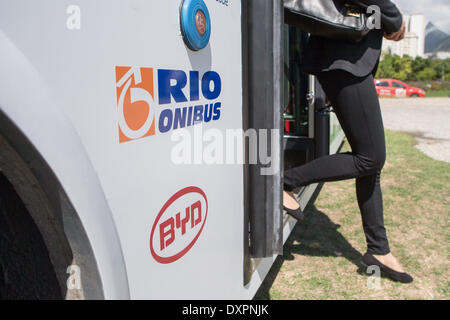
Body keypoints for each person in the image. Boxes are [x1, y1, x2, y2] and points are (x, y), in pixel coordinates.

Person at [283, 0, 413, 283]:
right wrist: (394, 18)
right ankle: (284, 182)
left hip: (346, 60)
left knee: (369, 162)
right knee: (371, 157)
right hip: (344, 60)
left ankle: (379, 249)